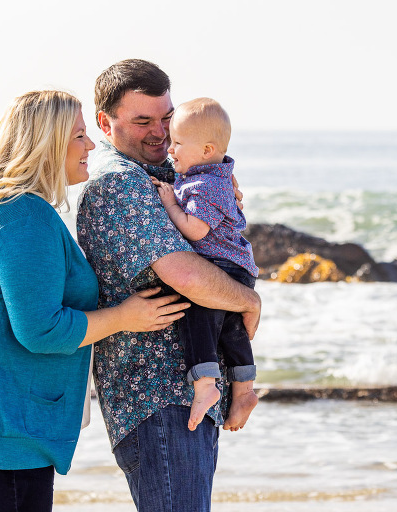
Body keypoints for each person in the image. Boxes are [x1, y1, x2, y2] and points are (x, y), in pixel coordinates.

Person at [0, 90, 189, 512]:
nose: (91, 147)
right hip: (3, 423)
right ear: (46, 144)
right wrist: (125, 316)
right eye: (79, 136)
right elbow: (42, 330)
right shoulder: (24, 216)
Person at [76, 59, 262, 511]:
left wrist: (220, 183)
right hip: (159, 398)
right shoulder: (118, 182)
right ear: (105, 122)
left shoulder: (160, 173)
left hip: (183, 397)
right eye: (142, 121)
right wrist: (249, 302)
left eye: (166, 117)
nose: (160, 132)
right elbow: (185, 273)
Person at [150, 97, 259, 432]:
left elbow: (195, 229)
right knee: (231, 331)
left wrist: (170, 203)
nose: (170, 149)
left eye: (179, 142)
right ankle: (244, 390)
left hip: (222, 266)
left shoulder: (204, 184)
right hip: (236, 265)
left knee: (196, 314)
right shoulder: (213, 173)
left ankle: (205, 385)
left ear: (207, 149)